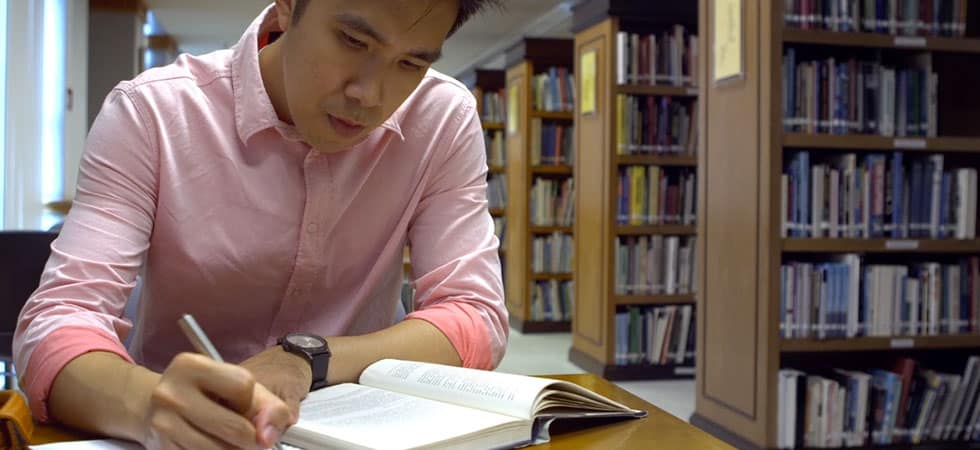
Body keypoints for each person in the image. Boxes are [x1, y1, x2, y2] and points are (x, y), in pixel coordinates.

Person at [13, 0, 508, 448]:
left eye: (412, 63)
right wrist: (150, 402)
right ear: (288, 7)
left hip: (362, 430)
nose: (370, 95)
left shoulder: (442, 118)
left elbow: (474, 315)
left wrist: (307, 358)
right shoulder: (154, 114)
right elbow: (59, 322)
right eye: (353, 41)